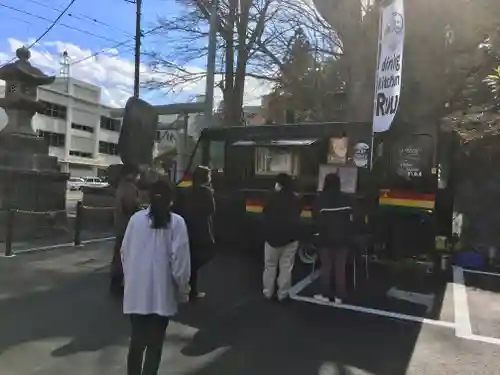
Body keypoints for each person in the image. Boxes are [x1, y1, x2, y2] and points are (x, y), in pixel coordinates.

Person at [121, 178, 191, 375]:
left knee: (136, 341)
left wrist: (131, 278)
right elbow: (180, 262)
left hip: (136, 291)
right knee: (154, 344)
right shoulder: (177, 223)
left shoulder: (136, 220)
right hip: (161, 293)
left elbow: (125, 252)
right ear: (172, 200)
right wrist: (183, 287)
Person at [312, 173, 354, 304]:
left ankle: (325, 294)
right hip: (343, 238)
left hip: (326, 238)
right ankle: (339, 296)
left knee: (326, 267)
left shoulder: (320, 199)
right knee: (340, 268)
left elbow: (315, 218)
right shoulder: (347, 198)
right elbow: (355, 216)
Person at [262, 173, 302, 301]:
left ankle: (268, 292)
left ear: (278, 184)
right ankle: (282, 294)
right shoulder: (295, 198)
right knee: (286, 266)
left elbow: (265, 212)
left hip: (272, 237)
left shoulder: (271, 197)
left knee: (270, 266)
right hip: (290, 238)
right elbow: (298, 212)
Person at [183, 165, 216, 300]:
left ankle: (192, 290)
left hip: (189, 228)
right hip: (202, 228)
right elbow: (211, 210)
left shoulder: (188, 191)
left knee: (192, 256)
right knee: (209, 252)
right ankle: (190, 284)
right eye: (208, 175)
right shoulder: (206, 192)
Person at [111, 164, 140, 296]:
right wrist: (140, 207)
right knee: (124, 256)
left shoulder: (121, 186)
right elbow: (130, 207)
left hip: (120, 226)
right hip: (127, 227)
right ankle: (119, 283)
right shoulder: (130, 188)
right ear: (132, 174)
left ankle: (116, 282)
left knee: (119, 254)